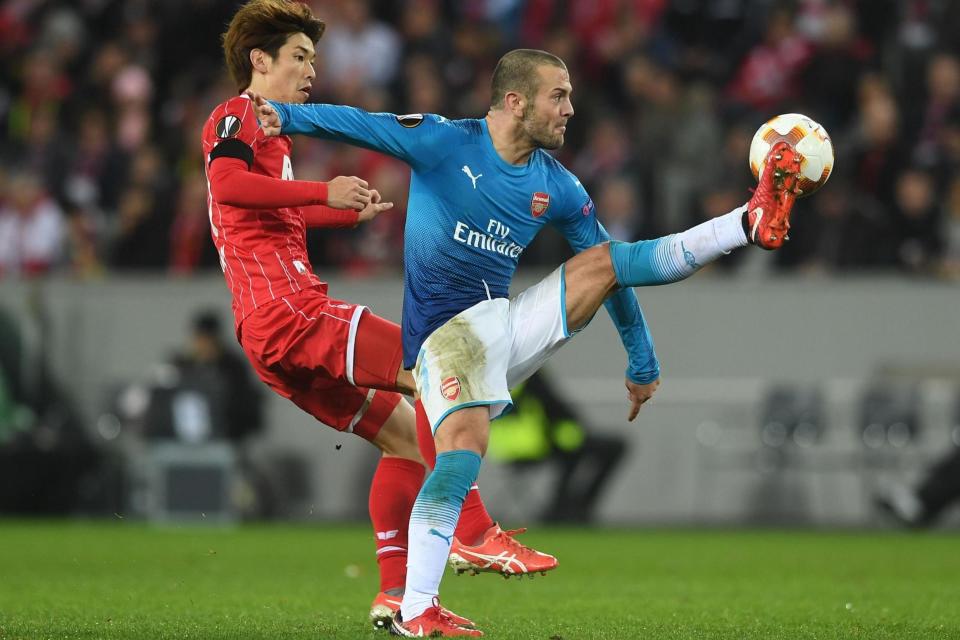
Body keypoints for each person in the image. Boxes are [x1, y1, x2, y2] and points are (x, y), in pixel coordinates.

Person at [254, 48, 800, 636]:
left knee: (603, 262)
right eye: (557, 96)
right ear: (515, 102)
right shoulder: (444, 142)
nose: (570, 109)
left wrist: (642, 358)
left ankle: (748, 221)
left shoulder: (556, 185)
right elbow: (363, 123)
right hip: (443, 338)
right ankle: (418, 605)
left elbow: (614, 268)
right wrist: (287, 117)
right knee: (461, 449)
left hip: (501, 329)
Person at [204, 1, 557, 632]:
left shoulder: (273, 137)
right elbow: (227, 187)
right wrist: (321, 191)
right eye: (298, 57)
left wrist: (340, 211)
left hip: (266, 334)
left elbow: (256, 217)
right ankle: (474, 529)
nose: (311, 70)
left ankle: (396, 598)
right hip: (292, 312)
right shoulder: (236, 116)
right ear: (259, 60)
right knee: (431, 371)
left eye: (313, 58)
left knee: (402, 438)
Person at [487, 368, 628, 524]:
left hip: (502, 448)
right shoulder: (527, 371)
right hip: (532, 444)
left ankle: (563, 509)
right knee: (610, 448)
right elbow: (554, 405)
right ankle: (570, 510)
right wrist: (577, 427)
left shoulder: (489, 377)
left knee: (571, 455)